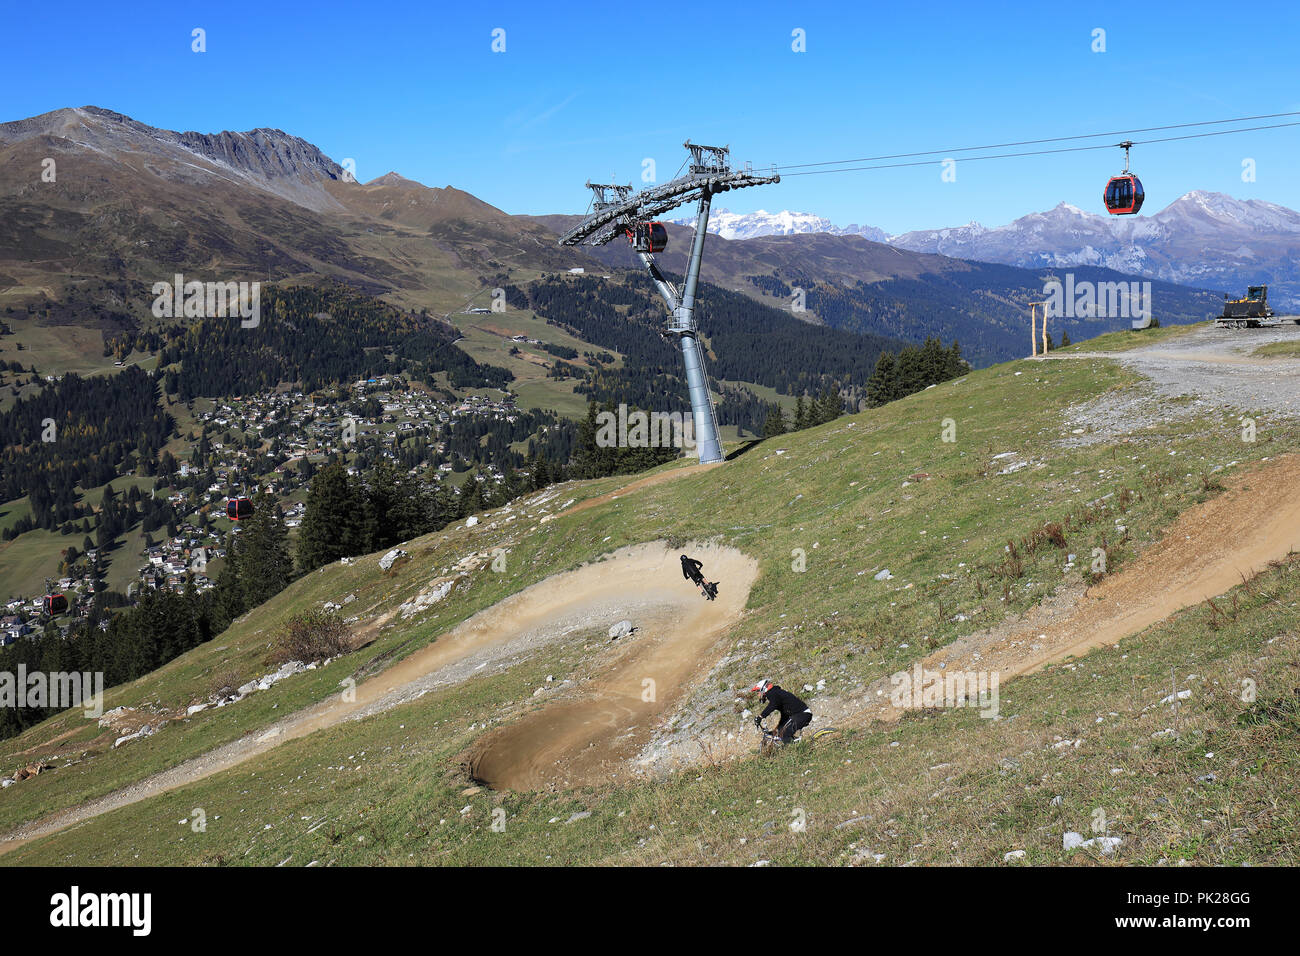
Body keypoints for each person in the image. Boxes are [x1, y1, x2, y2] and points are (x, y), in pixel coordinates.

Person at [751, 678, 812, 744]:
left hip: (802, 715)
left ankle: (796, 752)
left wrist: (760, 717)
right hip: (802, 715)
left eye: (758, 692)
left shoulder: (772, 694)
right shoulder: (776, 693)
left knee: (784, 734)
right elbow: (785, 715)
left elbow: (772, 706)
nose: (758, 695)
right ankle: (796, 747)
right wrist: (776, 730)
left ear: (763, 689)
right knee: (782, 732)